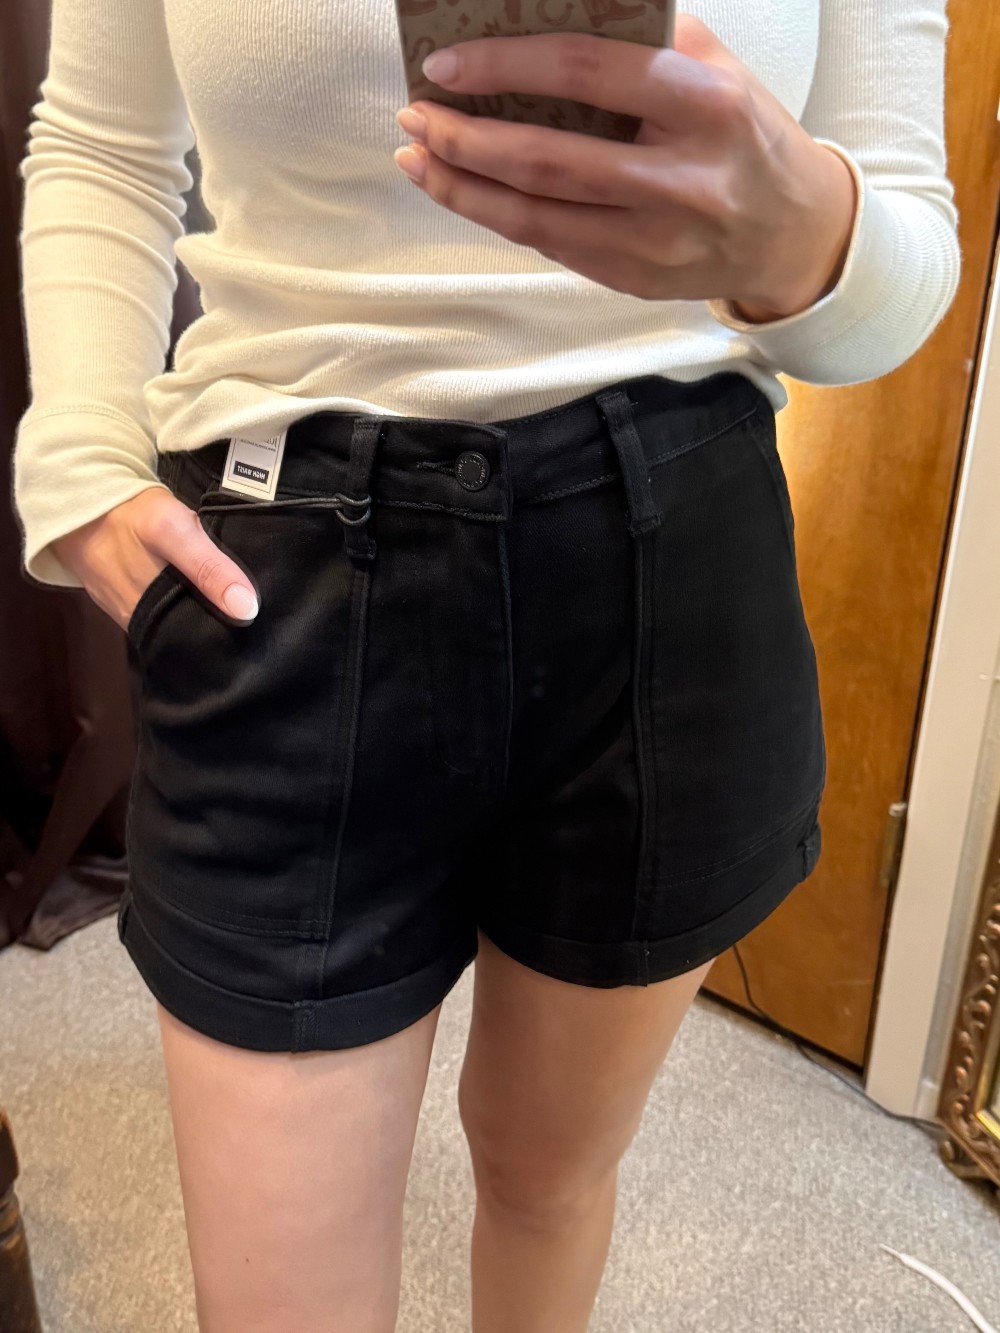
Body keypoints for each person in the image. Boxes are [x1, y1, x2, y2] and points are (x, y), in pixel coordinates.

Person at [12, 0, 959, 1328]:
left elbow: (902, 247)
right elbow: (103, 142)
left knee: (548, 1176)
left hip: (671, 564)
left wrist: (810, 237)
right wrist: (79, 458)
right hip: (285, 569)